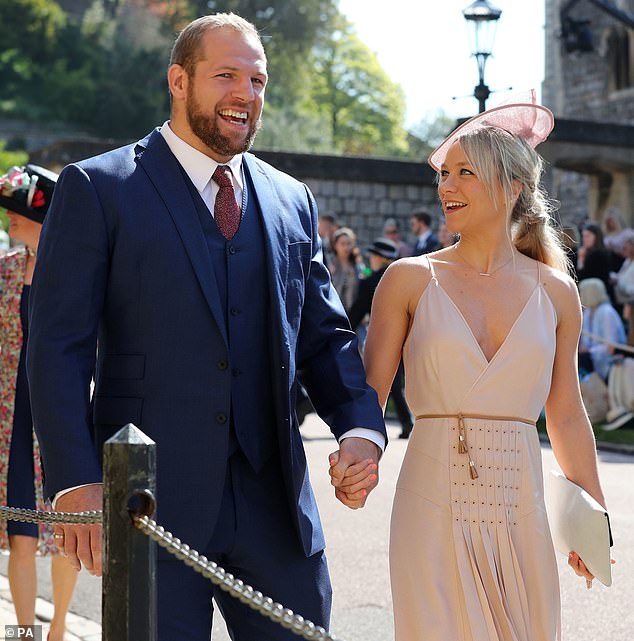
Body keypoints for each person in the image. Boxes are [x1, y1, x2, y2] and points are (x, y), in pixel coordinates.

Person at [26, 13, 386, 641]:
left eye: (258, 80)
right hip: (149, 503)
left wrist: (359, 428)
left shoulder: (289, 199)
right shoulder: (99, 188)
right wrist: (76, 482)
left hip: (276, 506)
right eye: (226, 75)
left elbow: (324, 336)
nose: (245, 94)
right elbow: (58, 349)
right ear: (178, 80)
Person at [360, 93, 608, 641]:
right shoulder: (407, 278)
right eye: (444, 175)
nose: (447, 187)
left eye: (465, 173)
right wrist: (356, 455)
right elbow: (369, 396)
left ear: (513, 187)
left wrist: (594, 520)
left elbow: (566, 415)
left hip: (522, 509)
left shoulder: (557, 292)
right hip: (429, 503)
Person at [0, 165, 78, 641]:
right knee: (19, 538)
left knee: (67, 534)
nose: (9, 223)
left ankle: (61, 628)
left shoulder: (73, 275)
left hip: (61, 416)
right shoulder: (4, 271)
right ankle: (24, 634)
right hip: (11, 418)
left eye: (16, 214)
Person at [348, 238, 413, 439]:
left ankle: (373, 425)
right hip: (409, 336)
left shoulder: (370, 282)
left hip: (384, 338)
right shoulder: (406, 277)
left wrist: (344, 330)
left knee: (380, 383)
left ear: (379, 258)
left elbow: (356, 313)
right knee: (397, 384)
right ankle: (404, 422)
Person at [578, 278, 626, 380]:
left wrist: (589, 351)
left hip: (608, 363)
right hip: (592, 360)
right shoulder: (589, 312)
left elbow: (611, 346)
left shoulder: (606, 312)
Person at [577, 222, 618, 305]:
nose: (585, 239)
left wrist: (581, 260)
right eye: (583, 236)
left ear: (596, 237)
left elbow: (583, 277)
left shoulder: (598, 255)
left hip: (598, 297)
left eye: (588, 236)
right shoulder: (589, 253)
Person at [328, 226, 363, 313]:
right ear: (335, 245)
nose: (346, 247)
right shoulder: (329, 264)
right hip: (332, 311)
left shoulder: (357, 266)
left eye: (349, 243)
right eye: (342, 244)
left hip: (353, 313)